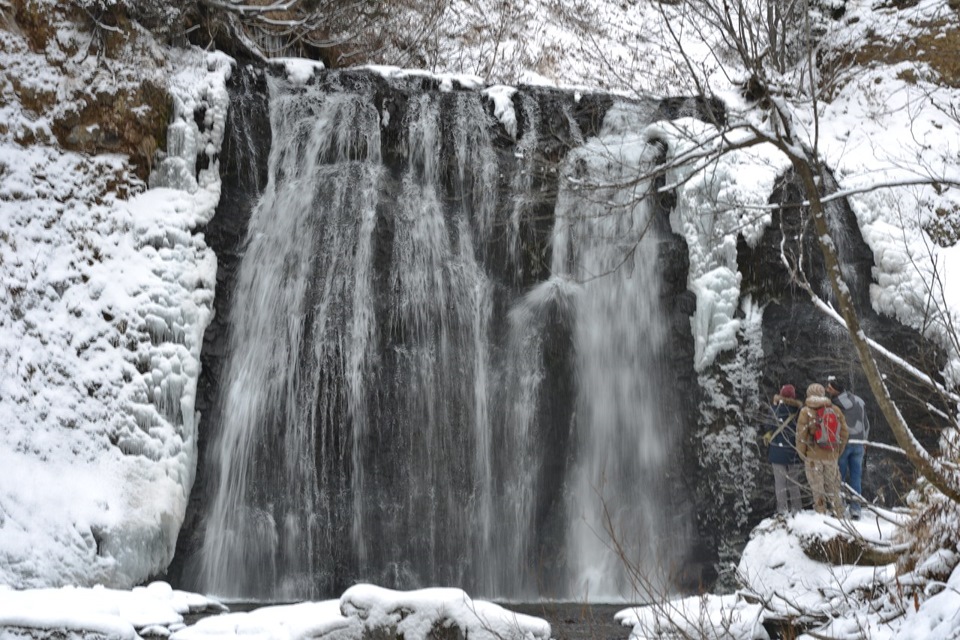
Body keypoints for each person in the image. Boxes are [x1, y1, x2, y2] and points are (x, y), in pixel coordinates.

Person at [796, 382, 849, 517]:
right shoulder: (835, 410)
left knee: (817, 488)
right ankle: (839, 514)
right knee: (833, 486)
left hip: (813, 456)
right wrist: (837, 451)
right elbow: (844, 433)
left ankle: (821, 515)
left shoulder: (805, 411)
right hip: (831, 455)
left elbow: (801, 436)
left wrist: (803, 454)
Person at [827, 375, 870, 519]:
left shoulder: (834, 404)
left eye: (830, 387)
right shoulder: (859, 401)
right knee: (856, 477)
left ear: (836, 389)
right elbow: (866, 424)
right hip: (859, 444)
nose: (828, 389)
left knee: (839, 477)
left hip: (842, 444)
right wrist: (865, 441)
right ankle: (856, 509)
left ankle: (839, 507)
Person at [764, 384, 804, 514]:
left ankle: (782, 510)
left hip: (777, 450)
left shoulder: (775, 410)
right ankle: (797, 509)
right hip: (793, 451)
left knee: (780, 483)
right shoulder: (799, 412)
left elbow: (767, 426)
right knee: (794, 482)